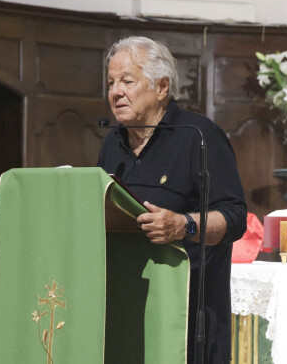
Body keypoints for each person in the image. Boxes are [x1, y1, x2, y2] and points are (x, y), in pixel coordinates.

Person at [97, 36, 247, 364]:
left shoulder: (199, 136)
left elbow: (235, 217)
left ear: (162, 87)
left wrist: (182, 225)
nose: (115, 91)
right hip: (125, 311)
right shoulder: (112, 144)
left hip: (189, 316)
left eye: (127, 81)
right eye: (110, 82)